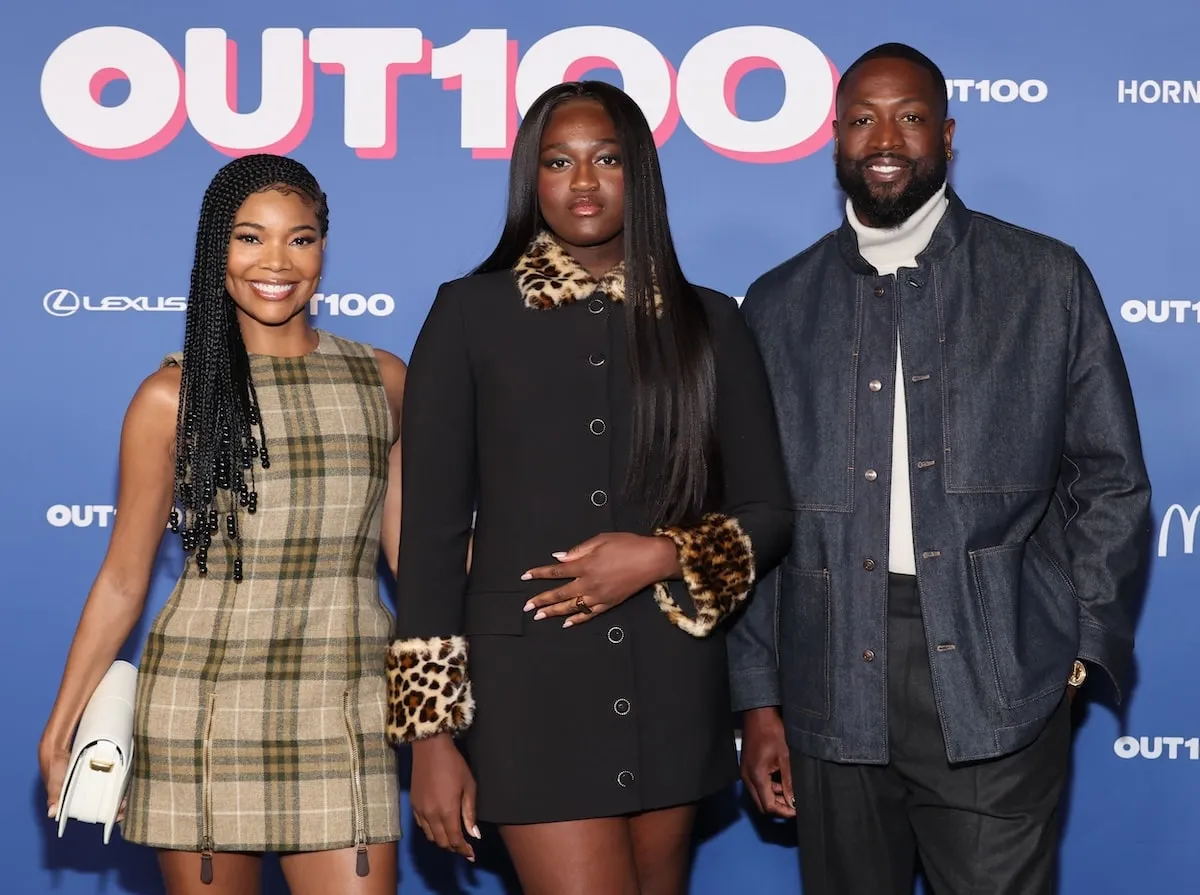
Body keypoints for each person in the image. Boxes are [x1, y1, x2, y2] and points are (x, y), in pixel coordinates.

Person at [729, 42, 1151, 895]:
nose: (885, 137)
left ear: (948, 136)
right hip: (827, 674)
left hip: (997, 672)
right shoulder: (777, 302)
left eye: (910, 117)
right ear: (835, 137)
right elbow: (750, 514)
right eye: (862, 118)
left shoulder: (1044, 279)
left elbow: (1110, 480)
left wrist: (1075, 649)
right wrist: (757, 695)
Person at [386, 80, 793, 895]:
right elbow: (430, 539)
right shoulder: (468, 315)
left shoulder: (710, 322)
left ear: (637, 172)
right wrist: (430, 736)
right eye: (558, 161)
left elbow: (771, 511)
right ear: (529, 182)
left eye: (606, 159)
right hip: (528, 697)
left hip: (671, 686)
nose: (583, 181)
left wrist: (661, 555)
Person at [38, 154, 408, 895]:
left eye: (299, 239)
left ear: (323, 250)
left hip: (344, 706)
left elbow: (415, 562)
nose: (276, 261)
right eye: (250, 237)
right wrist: (62, 721)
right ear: (218, 250)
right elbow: (121, 577)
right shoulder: (170, 397)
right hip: (201, 707)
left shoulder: (384, 380)